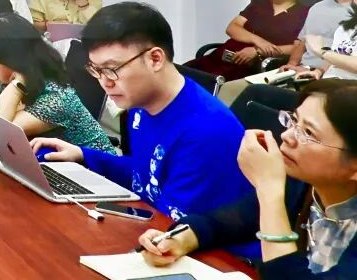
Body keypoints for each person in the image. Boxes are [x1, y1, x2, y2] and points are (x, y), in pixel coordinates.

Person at [30, 2, 254, 224]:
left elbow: (178, 227)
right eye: (96, 70)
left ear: (155, 59)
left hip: (192, 241)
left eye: (112, 69)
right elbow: (145, 174)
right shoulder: (140, 104)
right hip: (155, 228)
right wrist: (83, 155)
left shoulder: (204, 131)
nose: (105, 82)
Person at [137, 79, 357, 278]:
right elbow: (225, 222)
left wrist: (269, 188)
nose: (286, 135)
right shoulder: (303, 184)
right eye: (294, 120)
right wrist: (180, 239)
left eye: (308, 133)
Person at [0, 13, 115, 154]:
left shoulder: (56, 98)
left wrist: (18, 85)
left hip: (94, 166)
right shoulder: (4, 78)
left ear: (14, 61)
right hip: (48, 160)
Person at [185, 0, 308, 81]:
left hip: (251, 67)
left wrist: (258, 51)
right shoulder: (258, 4)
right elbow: (232, 28)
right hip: (221, 56)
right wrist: (259, 41)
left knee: (207, 86)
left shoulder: (304, 14)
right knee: (182, 74)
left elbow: (298, 47)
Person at [304, 3, 357, 81]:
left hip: (350, 84)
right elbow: (335, 55)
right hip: (329, 80)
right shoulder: (345, 27)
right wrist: (319, 71)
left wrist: (323, 52)